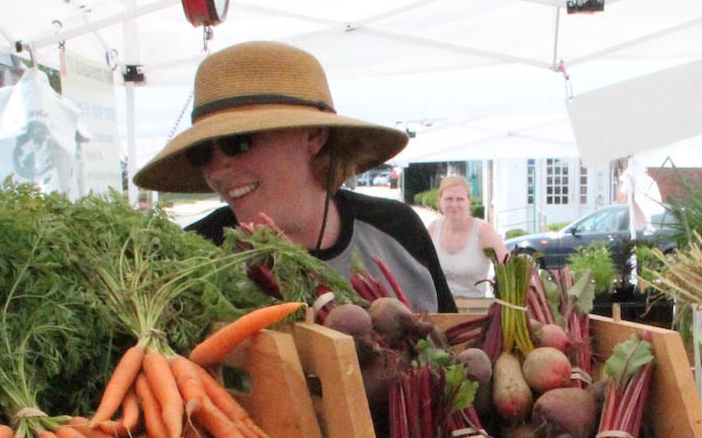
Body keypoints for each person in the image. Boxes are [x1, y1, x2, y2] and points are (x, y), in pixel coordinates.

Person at [135, 41, 455, 312]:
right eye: (202, 153)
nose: (217, 171)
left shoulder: (394, 229)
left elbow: (457, 360)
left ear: (314, 136)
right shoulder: (195, 258)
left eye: (239, 142)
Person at [428, 172, 507, 300]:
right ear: (440, 201)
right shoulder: (432, 229)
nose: (454, 205)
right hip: (439, 309)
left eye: (460, 199)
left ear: (469, 201)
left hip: (474, 309)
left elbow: (508, 267)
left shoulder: (483, 231)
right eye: (449, 199)